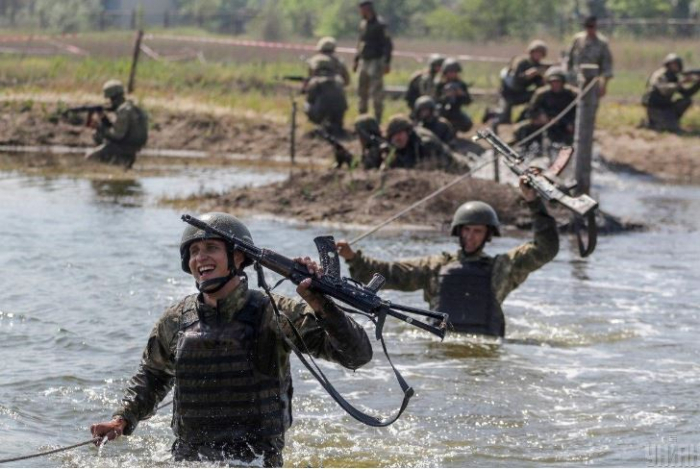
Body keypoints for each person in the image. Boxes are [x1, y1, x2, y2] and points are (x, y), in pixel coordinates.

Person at [90, 213, 373, 467]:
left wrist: (321, 303)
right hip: (189, 459)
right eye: (194, 251)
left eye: (211, 248)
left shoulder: (275, 313)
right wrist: (122, 420)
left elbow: (356, 355)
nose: (200, 257)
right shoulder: (176, 319)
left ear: (238, 257)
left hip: (258, 460)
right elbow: (152, 376)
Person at [336, 181, 559, 337]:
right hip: (440, 347)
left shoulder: (504, 267)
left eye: (478, 231)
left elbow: (546, 248)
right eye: (467, 230)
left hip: (484, 346)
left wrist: (533, 202)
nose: (471, 237)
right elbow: (391, 273)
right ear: (458, 232)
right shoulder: (435, 267)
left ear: (488, 235)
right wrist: (353, 258)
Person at [86, 79, 148, 169]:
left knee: (90, 157)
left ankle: (108, 170)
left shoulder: (123, 110)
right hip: (133, 147)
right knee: (97, 136)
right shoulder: (133, 107)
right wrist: (104, 119)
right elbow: (118, 128)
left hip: (123, 147)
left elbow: (117, 135)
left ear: (113, 98)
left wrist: (100, 127)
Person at [487, 40, 550, 126]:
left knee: (536, 99)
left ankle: (523, 118)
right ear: (531, 52)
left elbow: (539, 85)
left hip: (521, 93)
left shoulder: (537, 66)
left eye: (540, 53)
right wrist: (528, 75)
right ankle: (491, 114)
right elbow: (517, 80)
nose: (538, 55)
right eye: (536, 52)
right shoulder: (522, 62)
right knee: (503, 119)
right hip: (509, 93)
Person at [382, 114, 470, 173]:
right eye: (393, 135)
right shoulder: (395, 146)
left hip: (457, 170)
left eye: (400, 134)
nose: (397, 138)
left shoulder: (425, 144)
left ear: (408, 132)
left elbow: (432, 173)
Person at [514, 67, 578, 148]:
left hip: (564, 125)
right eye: (553, 82)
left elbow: (578, 112)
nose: (555, 84)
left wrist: (570, 123)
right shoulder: (541, 94)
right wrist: (539, 117)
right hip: (545, 123)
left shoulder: (571, 94)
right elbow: (530, 111)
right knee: (522, 128)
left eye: (558, 82)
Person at [354, 0, 393, 123]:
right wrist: (356, 60)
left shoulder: (380, 25)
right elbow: (360, 43)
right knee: (362, 91)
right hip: (364, 60)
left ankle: (377, 119)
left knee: (376, 92)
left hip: (376, 61)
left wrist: (387, 62)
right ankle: (362, 118)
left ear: (367, 9)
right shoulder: (363, 24)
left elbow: (388, 45)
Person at [642, 53, 700, 132]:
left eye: (677, 65)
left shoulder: (673, 77)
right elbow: (663, 89)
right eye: (674, 64)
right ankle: (653, 123)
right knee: (669, 129)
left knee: (686, 101)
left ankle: (669, 120)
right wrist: (681, 83)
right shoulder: (660, 75)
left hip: (665, 107)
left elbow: (687, 93)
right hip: (655, 107)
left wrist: (697, 83)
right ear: (668, 64)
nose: (676, 67)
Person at [566, 15, 613, 98]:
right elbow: (569, 60)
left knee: (589, 106)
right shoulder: (578, 39)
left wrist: (604, 85)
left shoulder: (602, 43)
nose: (590, 29)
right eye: (588, 26)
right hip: (575, 80)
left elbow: (607, 66)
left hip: (592, 82)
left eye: (592, 26)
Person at [304, 56, 348, 136]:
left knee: (307, 105)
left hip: (322, 111)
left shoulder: (315, 81)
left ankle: (320, 123)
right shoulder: (339, 79)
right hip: (339, 112)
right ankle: (336, 124)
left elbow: (310, 99)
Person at [435, 58, 473, 133]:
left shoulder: (461, 85)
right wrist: (445, 96)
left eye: (454, 72)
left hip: (456, 111)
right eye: (450, 72)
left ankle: (453, 130)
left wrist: (461, 94)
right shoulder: (440, 84)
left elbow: (468, 101)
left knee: (467, 123)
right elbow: (435, 100)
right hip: (442, 111)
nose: (452, 74)